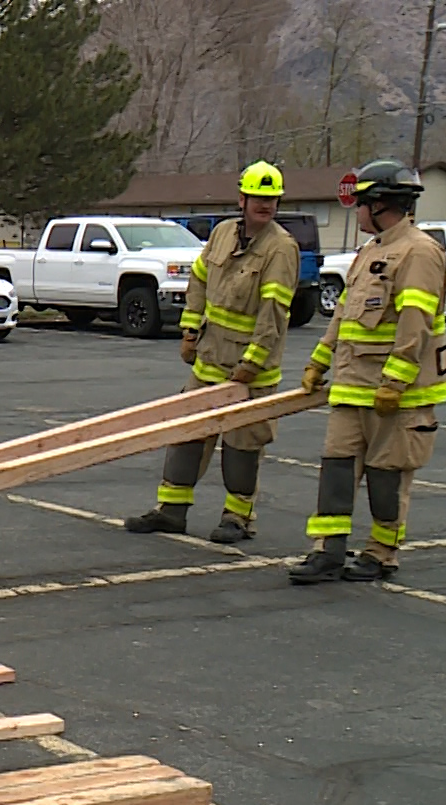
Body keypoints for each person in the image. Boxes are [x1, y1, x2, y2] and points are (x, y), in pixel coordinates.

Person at [290, 159, 446, 584]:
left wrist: (395, 382)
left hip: (395, 397)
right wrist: (317, 364)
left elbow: (415, 324)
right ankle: (327, 552)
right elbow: (343, 317)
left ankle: (381, 554)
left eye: (360, 203)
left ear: (379, 204)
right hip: (352, 387)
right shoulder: (370, 252)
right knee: (336, 471)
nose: (356, 211)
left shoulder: (419, 253)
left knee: (386, 478)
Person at [125, 161, 299, 544]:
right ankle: (171, 512)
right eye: (258, 198)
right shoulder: (222, 235)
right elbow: (199, 280)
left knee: (241, 447)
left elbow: (274, 314)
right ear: (242, 198)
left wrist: (251, 364)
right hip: (209, 363)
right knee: (186, 436)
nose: (265, 205)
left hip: (249, 372)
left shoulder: (281, 249)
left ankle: (238, 518)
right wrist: (190, 331)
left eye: (272, 199)